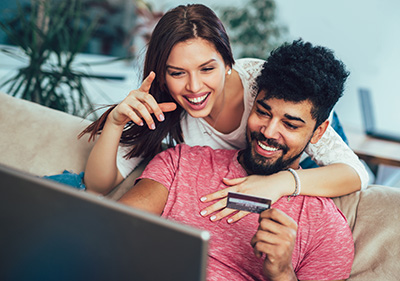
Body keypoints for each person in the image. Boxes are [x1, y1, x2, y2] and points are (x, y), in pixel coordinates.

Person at [77, 4, 367, 219]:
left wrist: (279, 183)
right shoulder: (166, 109)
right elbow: (98, 185)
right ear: (162, 75)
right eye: (177, 73)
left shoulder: (261, 86)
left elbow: (356, 173)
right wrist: (115, 123)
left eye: (207, 69)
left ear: (228, 61)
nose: (194, 87)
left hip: (296, 152)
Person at [118, 39, 354, 280]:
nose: (269, 132)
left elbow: (356, 175)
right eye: (263, 112)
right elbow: (113, 233)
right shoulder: (181, 162)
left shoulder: (327, 228)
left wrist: (282, 273)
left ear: (318, 132)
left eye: (290, 124)